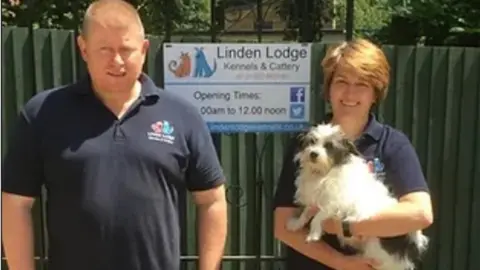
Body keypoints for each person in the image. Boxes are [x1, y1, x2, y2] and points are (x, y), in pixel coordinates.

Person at [1, 1, 227, 270]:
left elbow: (212, 200)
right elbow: (16, 203)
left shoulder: (181, 115)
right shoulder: (43, 114)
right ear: (83, 48)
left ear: (144, 50)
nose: (116, 60)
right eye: (105, 49)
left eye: (126, 49)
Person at [273, 39, 434, 270]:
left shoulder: (393, 145)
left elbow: (419, 214)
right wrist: (340, 262)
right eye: (341, 81)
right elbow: (283, 227)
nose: (350, 93)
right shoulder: (307, 145)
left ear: (375, 94)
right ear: (328, 89)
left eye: (362, 84)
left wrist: (345, 226)